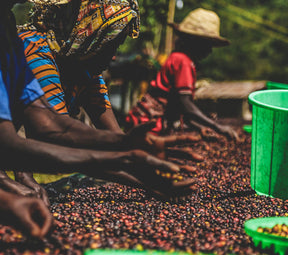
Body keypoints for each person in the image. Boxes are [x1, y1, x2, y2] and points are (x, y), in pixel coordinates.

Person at [0, 0, 196, 232]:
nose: (113, 57)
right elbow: (29, 139)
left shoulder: (84, 70)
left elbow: (51, 126)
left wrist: (131, 150)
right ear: (90, 33)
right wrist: (127, 161)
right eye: (111, 44)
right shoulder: (34, 49)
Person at [125, 8, 238, 140]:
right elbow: (186, 105)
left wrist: (201, 128)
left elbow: (180, 107)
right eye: (207, 44)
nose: (210, 51)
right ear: (194, 42)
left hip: (144, 120)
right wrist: (218, 127)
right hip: (148, 124)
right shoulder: (183, 61)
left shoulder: (178, 58)